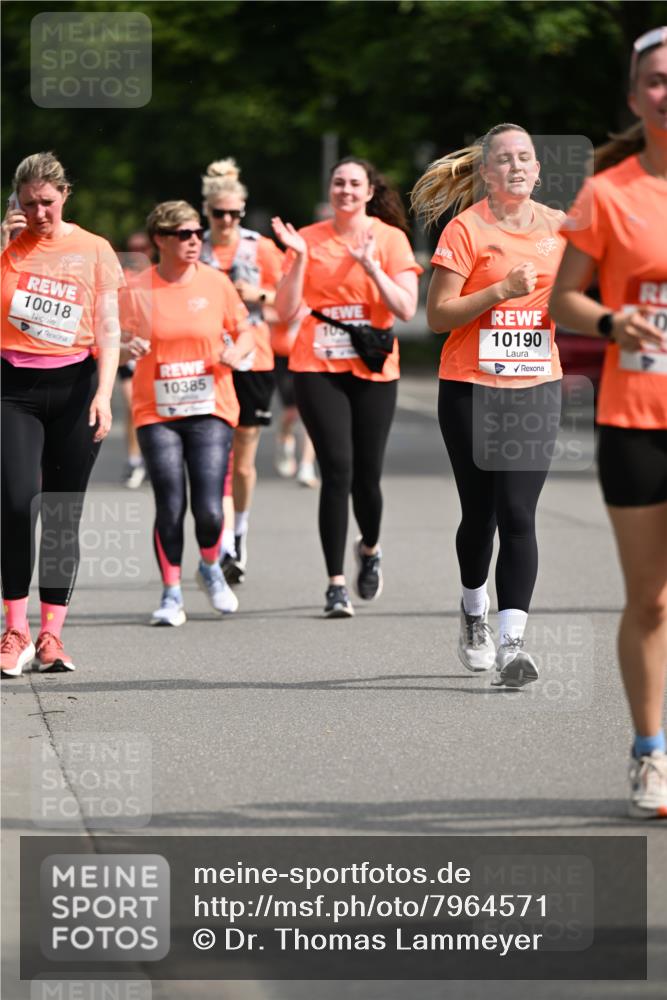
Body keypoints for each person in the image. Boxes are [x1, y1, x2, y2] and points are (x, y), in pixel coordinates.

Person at [550, 27, 667, 818]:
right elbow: (564, 298)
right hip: (637, 417)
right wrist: (612, 322)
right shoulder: (609, 191)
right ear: (634, 97)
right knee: (652, 601)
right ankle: (649, 754)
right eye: (655, 81)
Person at [411, 124, 565, 686]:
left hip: (535, 385)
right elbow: (437, 317)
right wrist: (500, 291)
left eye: (526, 157)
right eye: (504, 159)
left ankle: (512, 644)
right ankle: (474, 610)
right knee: (482, 516)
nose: (517, 166)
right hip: (471, 388)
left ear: (538, 169)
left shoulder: (559, 229)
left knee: (520, 514)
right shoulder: (465, 229)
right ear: (486, 173)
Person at [272, 157, 421, 617]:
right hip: (317, 365)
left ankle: (370, 549)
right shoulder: (309, 239)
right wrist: (297, 257)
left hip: (374, 367)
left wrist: (372, 268)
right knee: (336, 469)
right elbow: (284, 310)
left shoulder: (391, 239)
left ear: (369, 191)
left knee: (367, 476)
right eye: (339, 182)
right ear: (330, 188)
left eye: (355, 183)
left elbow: (406, 309)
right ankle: (335, 584)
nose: (346, 190)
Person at [1, 151, 121, 676]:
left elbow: (110, 327)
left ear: (64, 194)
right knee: (14, 503)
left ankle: (51, 635)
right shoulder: (7, 247)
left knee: (61, 513)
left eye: (47, 202)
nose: (39, 212)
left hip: (76, 385)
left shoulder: (94, 248)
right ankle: (15, 629)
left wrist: (105, 393)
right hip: (13, 388)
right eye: (28, 204)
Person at [121, 200, 254, 625]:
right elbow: (109, 341)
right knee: (170, 502)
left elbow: (246, 330)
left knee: (212, 509)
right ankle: (171, 593)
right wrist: (126, 347)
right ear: (160, 239)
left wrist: (238, 352)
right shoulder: (138, 287)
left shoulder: (216, 283)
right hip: (156, 410)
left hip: (210, 405)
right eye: (184, 234)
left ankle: (211, 566)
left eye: (198, 233)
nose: (195, 240)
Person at [200, 158, 284, 584]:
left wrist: (260, 293)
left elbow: (291, 304)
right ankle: (221, 543)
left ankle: (240, 532)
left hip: (254, 359)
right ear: (207, 211)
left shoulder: (261, 247)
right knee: (213, 455)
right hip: (207, 360)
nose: (228, 220)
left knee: (244, 459)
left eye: (235, 212)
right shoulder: (193, 247)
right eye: (219, 213)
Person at [118, 230, 155, 489]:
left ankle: (154, 458)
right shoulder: (123, 278)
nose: (138, 251)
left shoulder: (159, 276)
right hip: (130, 348)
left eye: (143, 246)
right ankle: (134, 460)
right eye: (133, 247)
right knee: (133, 406)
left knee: (155, 409)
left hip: (155, 351)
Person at [271, 309, 319, 488]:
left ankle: (306, 467)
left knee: (309, 415)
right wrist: (289, 314)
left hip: (309, 355)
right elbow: (265, 313)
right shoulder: (281, 284)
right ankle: (285, 442)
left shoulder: (315, 287)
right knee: (291, 412)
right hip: (284, 356)